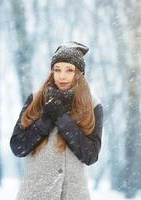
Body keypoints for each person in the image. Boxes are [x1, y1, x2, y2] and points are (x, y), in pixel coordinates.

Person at [9, 41, 104, 200]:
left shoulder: (93, 106)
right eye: (57, 69)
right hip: (35, 193)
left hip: (73, 194)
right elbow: (18, 147)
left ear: (79, 73)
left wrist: (61, 118)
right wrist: (45, 120)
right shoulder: (35, 99)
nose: (62, 76)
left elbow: (91, 155)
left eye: (69, 70)